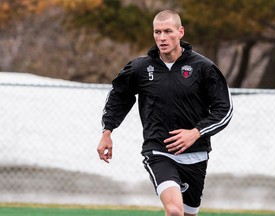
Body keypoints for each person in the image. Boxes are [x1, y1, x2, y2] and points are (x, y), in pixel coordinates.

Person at [97, 10, 233, 216]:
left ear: (180, 32)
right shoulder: (140, 68)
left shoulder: (203, 68)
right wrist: (107, 131)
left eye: (168, 31)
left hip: (196, 154)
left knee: (187, 214)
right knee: (174, 211)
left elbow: (225, 110)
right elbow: (119, 96)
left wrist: (195, 132)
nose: (162, 37)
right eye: (157, 32)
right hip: (158, 151)